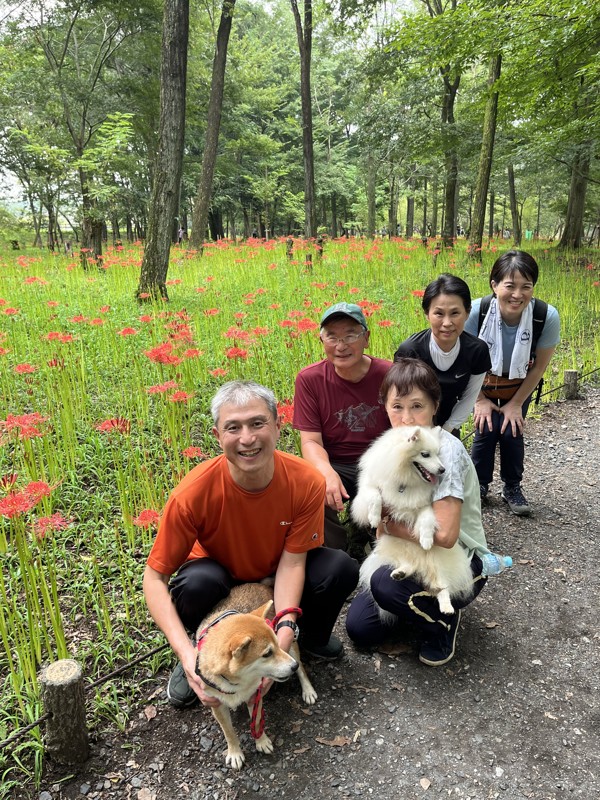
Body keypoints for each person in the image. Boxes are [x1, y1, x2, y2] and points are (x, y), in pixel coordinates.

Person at [144, 381, 359, 709]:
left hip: (276, 572)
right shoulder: (192, 494)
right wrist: (187, 655)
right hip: (221, 580)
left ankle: (304, 640)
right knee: (195, 582)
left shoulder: (305, 481)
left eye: (258, 423)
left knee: (338, 568)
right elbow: (154, 579)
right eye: (233, 427)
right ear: (218, 436)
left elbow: (294, 562)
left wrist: (284, 628)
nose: (247, 438)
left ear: (277, 426)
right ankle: (205, 651)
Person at [346, 359, 488, 667]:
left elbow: (446, 537)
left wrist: (386, 523)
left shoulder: (443, 450)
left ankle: (441, 624)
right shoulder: (391, 446)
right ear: (384, 406)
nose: (407, 418)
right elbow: (372, 517)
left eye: (417, 406)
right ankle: (414, 605)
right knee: (359, 629)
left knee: (385, 584)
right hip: (405, 554)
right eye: (397, 407)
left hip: (455, 557)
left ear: (435, 405)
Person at [464, 250, 560, 516]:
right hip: (481, 383)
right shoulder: (476, 312)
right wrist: (480, 401)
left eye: (526, 287)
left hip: (520, 384)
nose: (517, 295)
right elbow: (466, 362)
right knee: (485, 429)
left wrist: (516, 403)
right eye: (510, 286)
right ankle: (479, 485)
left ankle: (512, 486)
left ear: (533, 288)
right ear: (494, 285)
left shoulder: (545, 316)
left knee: (511, 430)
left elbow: (539, 366)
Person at [293, 303, 392, 551]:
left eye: (350, 335)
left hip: (379, 462)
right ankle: (335, 552)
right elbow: (311, 441)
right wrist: (326, 472)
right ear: (321, 340)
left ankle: (376, 536)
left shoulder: (390, 374)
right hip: (337, 463)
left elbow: (403, 430)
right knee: (312, 486)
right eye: (332, 336)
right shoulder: (309, 379)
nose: (341, 345)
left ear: (366, 338)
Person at [394, 274, 491, 435]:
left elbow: (469, 397)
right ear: (427, 314)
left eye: (455, 313)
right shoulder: (410, 351)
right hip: (411, 428)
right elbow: (399, 401)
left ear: (467, 313)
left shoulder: (477, 351)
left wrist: (446, 431)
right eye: (439, 314)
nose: (447, 323)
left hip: (449, 426)